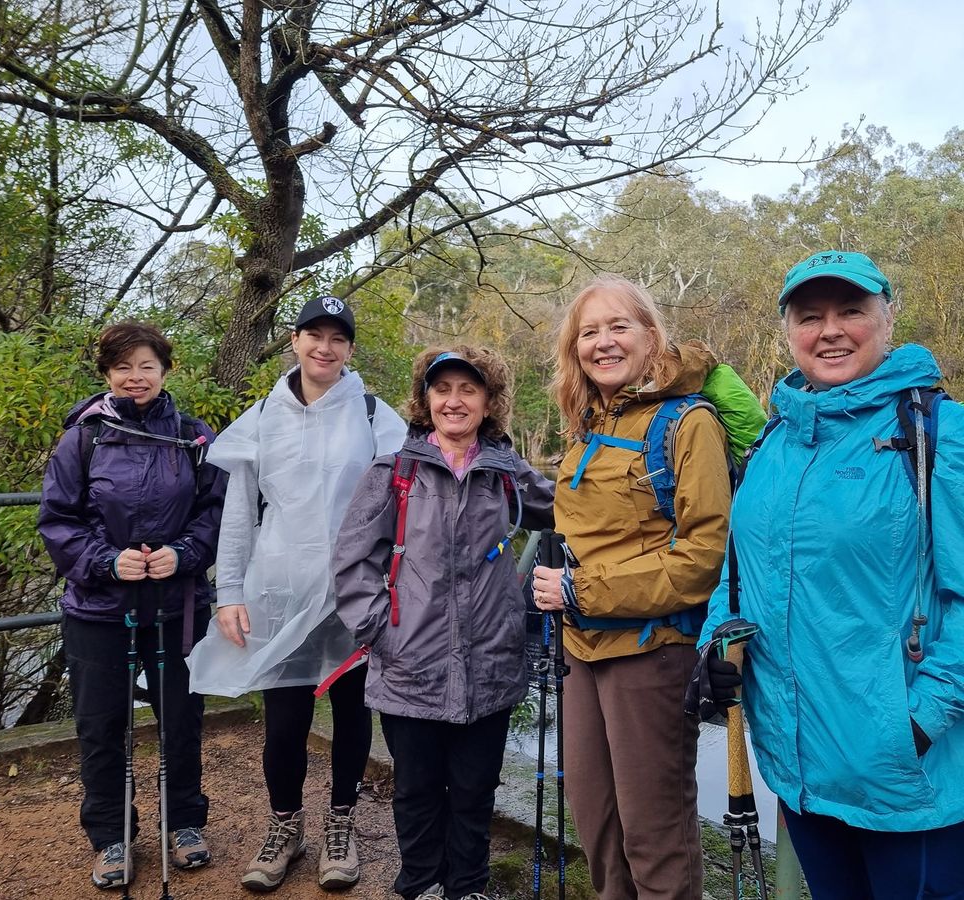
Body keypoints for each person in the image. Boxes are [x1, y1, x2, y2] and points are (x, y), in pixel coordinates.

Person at [695, 251, 964, 900]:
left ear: (887, 319)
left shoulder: (944, 434)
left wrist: (910, 728)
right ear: (787, 330)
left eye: (851, 310)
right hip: (801, 765)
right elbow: (741, 575)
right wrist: (717, 640)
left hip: (908, 777)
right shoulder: (774, 445)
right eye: (810, 315)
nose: (830, 330)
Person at [186, 295, 407, 893]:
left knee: (353, 713)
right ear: (295, 340)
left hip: (353, 595)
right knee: (284, 720)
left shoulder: (372, 415)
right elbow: (239, 514)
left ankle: (341, 826)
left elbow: (402, 507)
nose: (325, 347)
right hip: (278, 592)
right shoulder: (263, 416)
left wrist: (394, 586)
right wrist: (229, 591)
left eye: (338, 338)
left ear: (350, 350)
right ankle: (286, 827)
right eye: (315, 334)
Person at [531, 274, 732, 900]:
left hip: (651, 650)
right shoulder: (588, 421)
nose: (604, 342)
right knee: (598, 826)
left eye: (619, 326)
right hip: (580, 648)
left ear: (651, 335)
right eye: (589, 332)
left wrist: (579, 591)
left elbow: (702, 557)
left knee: (654, 833)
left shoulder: (688, 421)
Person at [332, 346, 555, 900]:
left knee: (477, 787)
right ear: (425, 399)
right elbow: (353, 559)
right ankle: (421, 883)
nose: (454, 402)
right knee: (416, 787)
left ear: (488, 403)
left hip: (491, 663)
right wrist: (379, 628)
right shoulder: (395, 472)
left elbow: (577, 510)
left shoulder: (509, 476)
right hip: (409, 663)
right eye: (442, 390)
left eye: (468, 391)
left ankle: (468, 886)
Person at [38, 322, 226, 889]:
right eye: (123, 367)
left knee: (182, 720)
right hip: (98, 609)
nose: (134, 377)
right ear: (107, 375)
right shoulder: (83, 439)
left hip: (177, 605)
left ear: (166, 370)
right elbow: (57, 520)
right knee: (101, 725)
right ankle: (112, 835)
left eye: (146, 366)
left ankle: (186, 822)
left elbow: (218, 512)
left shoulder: (196, 439)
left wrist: (185, 553)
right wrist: (104, 560)